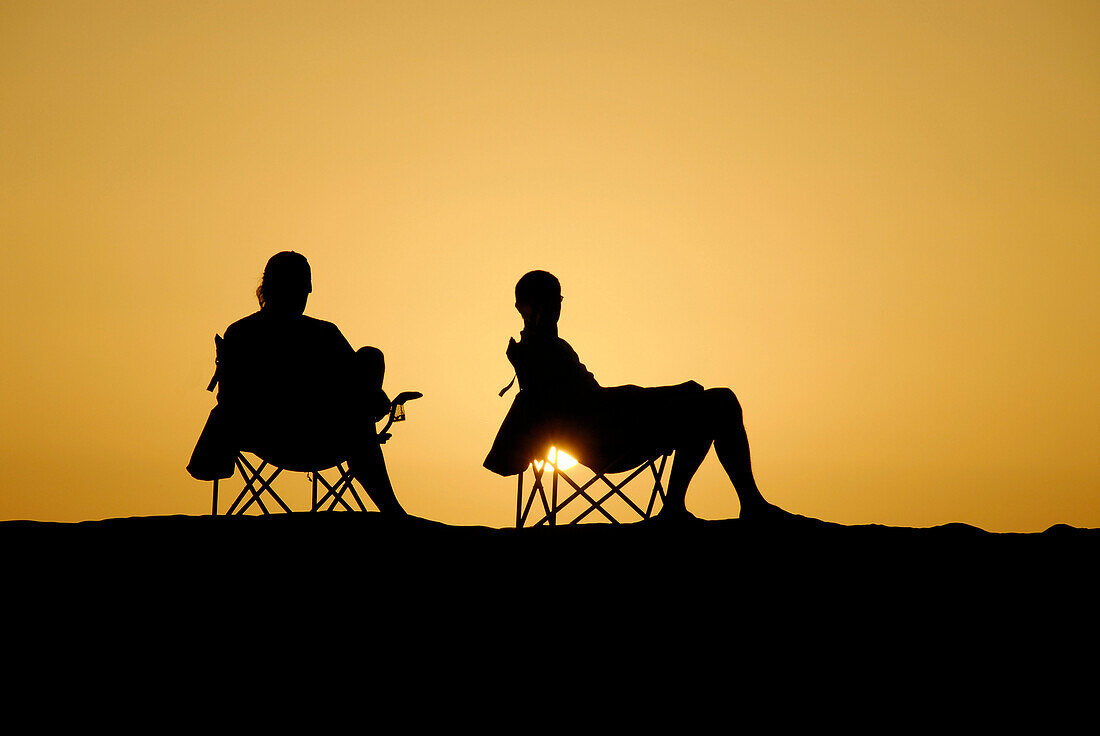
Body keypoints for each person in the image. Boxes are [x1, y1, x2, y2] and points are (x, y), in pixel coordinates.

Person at [484, 270, 777, 521]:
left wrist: (668, 395)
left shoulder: (542, 349)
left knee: (709, 404)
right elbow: (596, 404)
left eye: (555, 300)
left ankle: (699, 506)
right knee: (718, 402)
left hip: (606, 430)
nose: (551, 308)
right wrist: (670, 394)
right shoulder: (541, 351)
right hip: (605, 440)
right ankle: (707, 506)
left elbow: (599, 401)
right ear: (522, 306)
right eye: (544, 301)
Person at [187, 251, 406, 515]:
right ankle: (392, 512)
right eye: (301, 288)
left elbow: (227, 398)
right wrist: (377, 401)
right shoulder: (323, 334)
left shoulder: (241, 331)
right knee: (362, 413)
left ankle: (392, 511)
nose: (303, 296)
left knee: (368, 366)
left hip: (269, 436)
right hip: (312, 437)